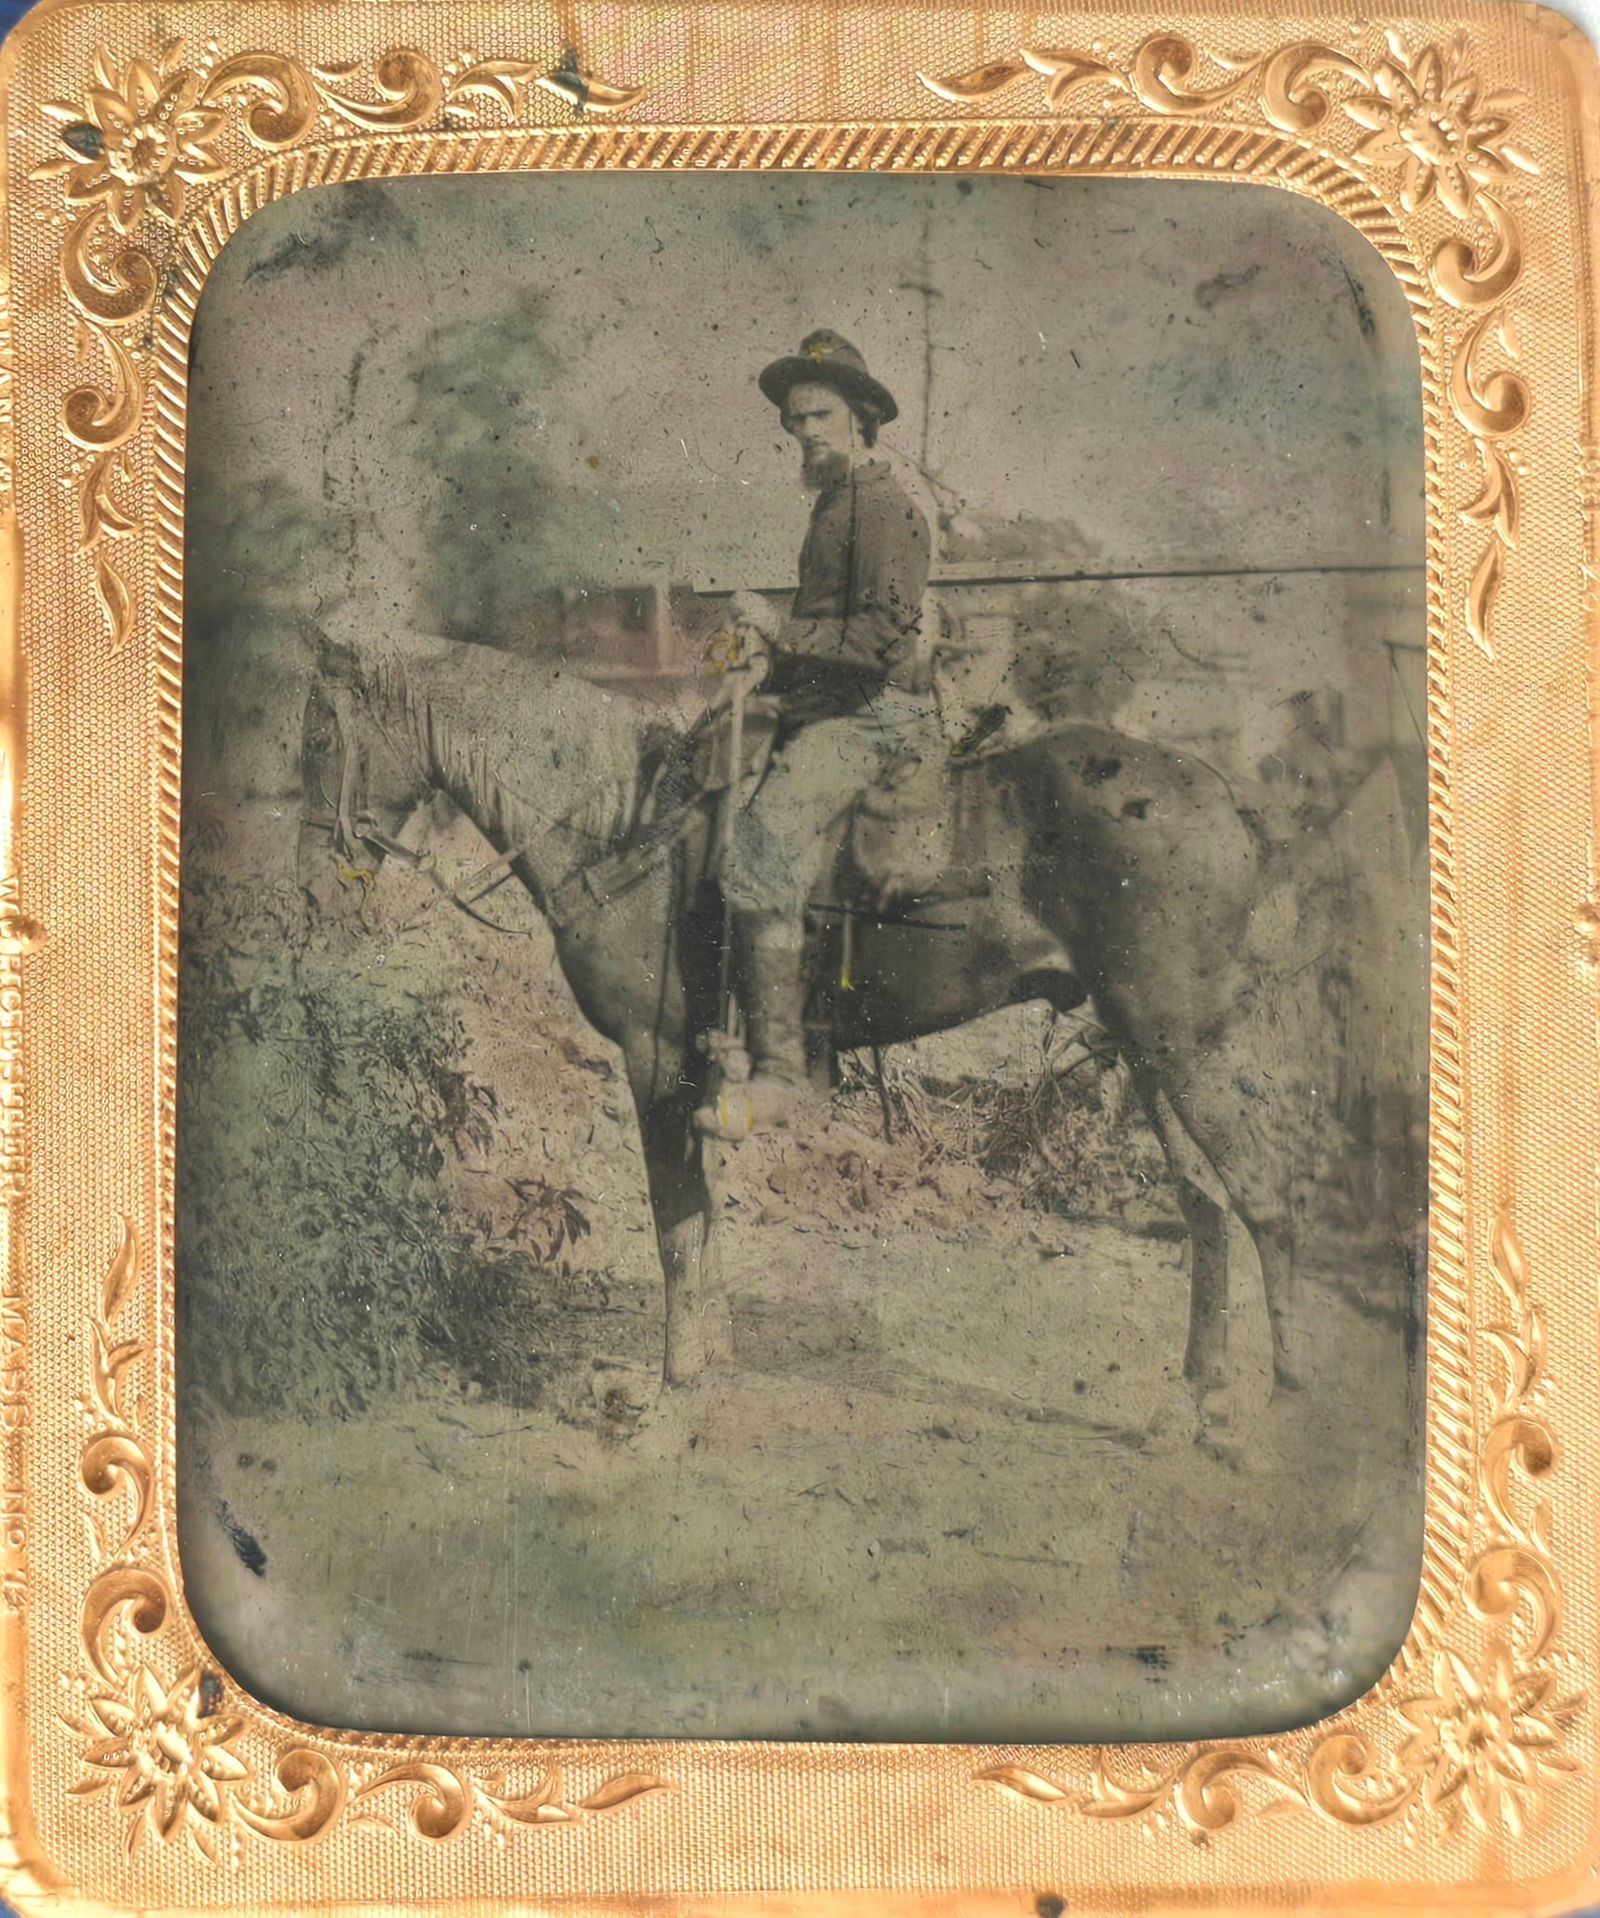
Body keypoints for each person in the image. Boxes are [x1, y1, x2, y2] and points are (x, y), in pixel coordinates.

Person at [696, 330, 938, 1142]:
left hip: (874, 718)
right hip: (830, 708)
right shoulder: (835, 506)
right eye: (796, 420)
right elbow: (826, 633)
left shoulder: (883, 508)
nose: (805, 432)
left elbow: (875, 644)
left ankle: (782, 1076)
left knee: (756, 857)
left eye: (821, 415)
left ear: (864, 418)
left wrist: (777, 627)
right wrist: (762, 659)